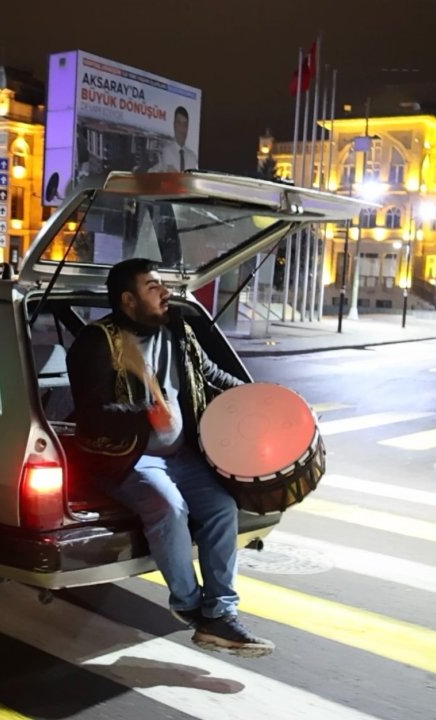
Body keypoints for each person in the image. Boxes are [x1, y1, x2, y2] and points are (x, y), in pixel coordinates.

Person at [65, 258, 275, 658]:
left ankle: (221, 612)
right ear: (128, 300)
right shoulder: (96, 343)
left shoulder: (176, 330)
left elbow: (211, 374)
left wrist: (263, 398)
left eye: (163, 285)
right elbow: (91, 415)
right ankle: (190, 606)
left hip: (181, 455)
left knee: (222, 507)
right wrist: (144, 416)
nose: (164, 293)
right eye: (152, 286)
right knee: (168, 508)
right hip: (128, 458)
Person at [150, 106, 199, 173]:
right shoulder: (166, 152)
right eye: (179, 124)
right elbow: (152, 171)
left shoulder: (192, 158)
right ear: (174, 125)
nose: (182, 129)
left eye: (185, 125)